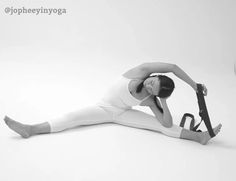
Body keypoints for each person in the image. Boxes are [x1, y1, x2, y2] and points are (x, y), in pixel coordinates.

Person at [4, 62, 222, 145]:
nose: (148, 85)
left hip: (122, 114)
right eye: (152, 81)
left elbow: (165, 123)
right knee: (72, 118)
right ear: (154, 75)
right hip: (103, 109)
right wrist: (195, 86)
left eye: (152, 89)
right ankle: (30, 129)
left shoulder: (150, 99)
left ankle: (200, 137)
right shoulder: (141, 71)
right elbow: (173, 67)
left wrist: (163, 102)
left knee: (160, 127)